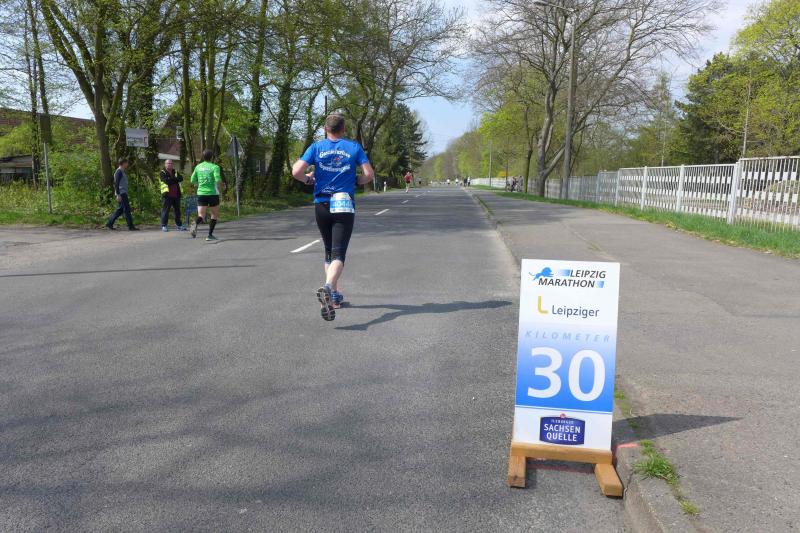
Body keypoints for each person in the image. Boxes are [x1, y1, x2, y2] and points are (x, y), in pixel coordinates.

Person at [291, 113, 374, 321]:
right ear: (343, 129)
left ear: (325, 129)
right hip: (343, 204)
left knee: (328, 252)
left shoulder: (316, 147)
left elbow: (296, 171)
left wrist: (308, 180)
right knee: (339, 255)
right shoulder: (353, 147)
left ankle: (334, 297)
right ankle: (328, 287)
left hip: (321, 204)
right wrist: (356, 180)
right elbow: (369, 175)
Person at [189, 149, 225, 241]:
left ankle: (195, 223)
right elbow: (217, 179)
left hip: (201, 194)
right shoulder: (215, 167)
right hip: (213, 194)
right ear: (212, 157)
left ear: (203, 157)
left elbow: (192, 180)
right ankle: (209, 235)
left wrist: (198, 183)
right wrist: (222, 185)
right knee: (214, 214)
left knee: (201, 215)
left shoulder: (198, 167)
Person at [106, 157, 139, 231]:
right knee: (127, 209)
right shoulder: (119, 172)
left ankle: (109, 223)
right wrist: (118, 195)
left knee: (120, 210)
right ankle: (131, 226)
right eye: (127, 163)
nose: (127, 164)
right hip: (121, 193)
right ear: (123, 163)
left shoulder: (122, 171)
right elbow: (116, 184)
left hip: (123, 193)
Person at [159, 159, 186, 231]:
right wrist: (175, 179)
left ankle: (179, 225)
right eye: (168, 163)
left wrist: (171, 179)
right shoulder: (162, 172)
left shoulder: (175, 171)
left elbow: (181, 178)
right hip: (167, 195)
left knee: (177, 211)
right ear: (165, 164)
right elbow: (166, 181)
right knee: (165, 211)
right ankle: (164, 225)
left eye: (171, 163)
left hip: (176, 195)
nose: (170, 165)